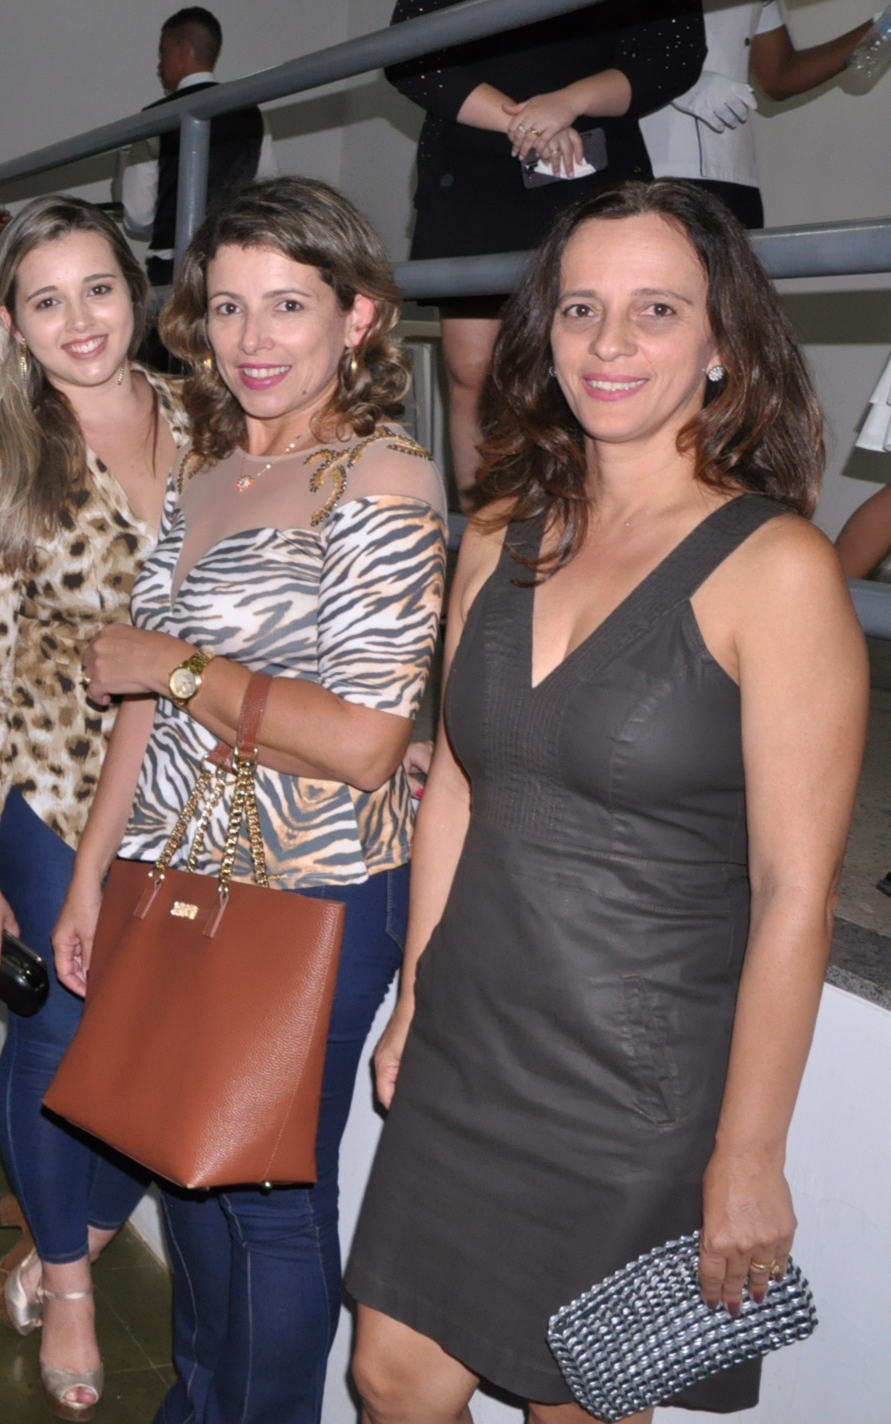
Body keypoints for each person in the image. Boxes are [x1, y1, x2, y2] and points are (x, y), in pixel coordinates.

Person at [347, 179, 866, 1423]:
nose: (608, 342)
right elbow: (455, 781)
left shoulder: (777, 570)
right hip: (472, 1036)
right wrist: (416, 989)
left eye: (655, 309)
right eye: (580, 307)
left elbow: (793, 894)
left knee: (572, 1405)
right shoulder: (497, 530)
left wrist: (747, 1152)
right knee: (389, 1375)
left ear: (721, 342)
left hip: (635, 1086)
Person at [50, 176, 447, 1424]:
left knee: (268, 1200)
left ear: (357, 315)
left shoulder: (380, 477)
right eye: (226, 307)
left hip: (310, 891)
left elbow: (367, 744)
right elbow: (138, 702)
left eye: (286, 303)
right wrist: (90, 875)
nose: (251, 338)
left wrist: (173, 664)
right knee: (186, 1169)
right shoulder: (208, 470)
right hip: (174, 871)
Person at [0, 193, 184, 1423]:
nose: (79, 319)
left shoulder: (211, 416)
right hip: (51, 787)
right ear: (10, 322)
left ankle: (64, 1234)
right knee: (60, 1029)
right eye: (45, 299)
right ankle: (75, 1287)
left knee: (173, 1042)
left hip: (201, 787)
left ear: (132, 290)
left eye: (96, 288)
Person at [387, 0, 706, 493]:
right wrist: (526, 122)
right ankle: (485, 524)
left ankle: (590, 520)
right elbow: (409, 51)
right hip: (472, 166)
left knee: (589, 365)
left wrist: (568, 102)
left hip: (586, 159)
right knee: (474, 372)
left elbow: (672, 54)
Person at [643, 0, 886, 230]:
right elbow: (627, 42)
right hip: (658, 166)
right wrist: (680, 81)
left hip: (737, 173)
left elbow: (780, 74)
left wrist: (882, 26)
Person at [118, 8, 270, 287]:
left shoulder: (154, 120)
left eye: (163, 52)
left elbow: (138, 217)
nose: (159, 65)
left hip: (172, 274)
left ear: (183, 50)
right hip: (234, 271)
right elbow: (266, 196)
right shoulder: (253, 114)